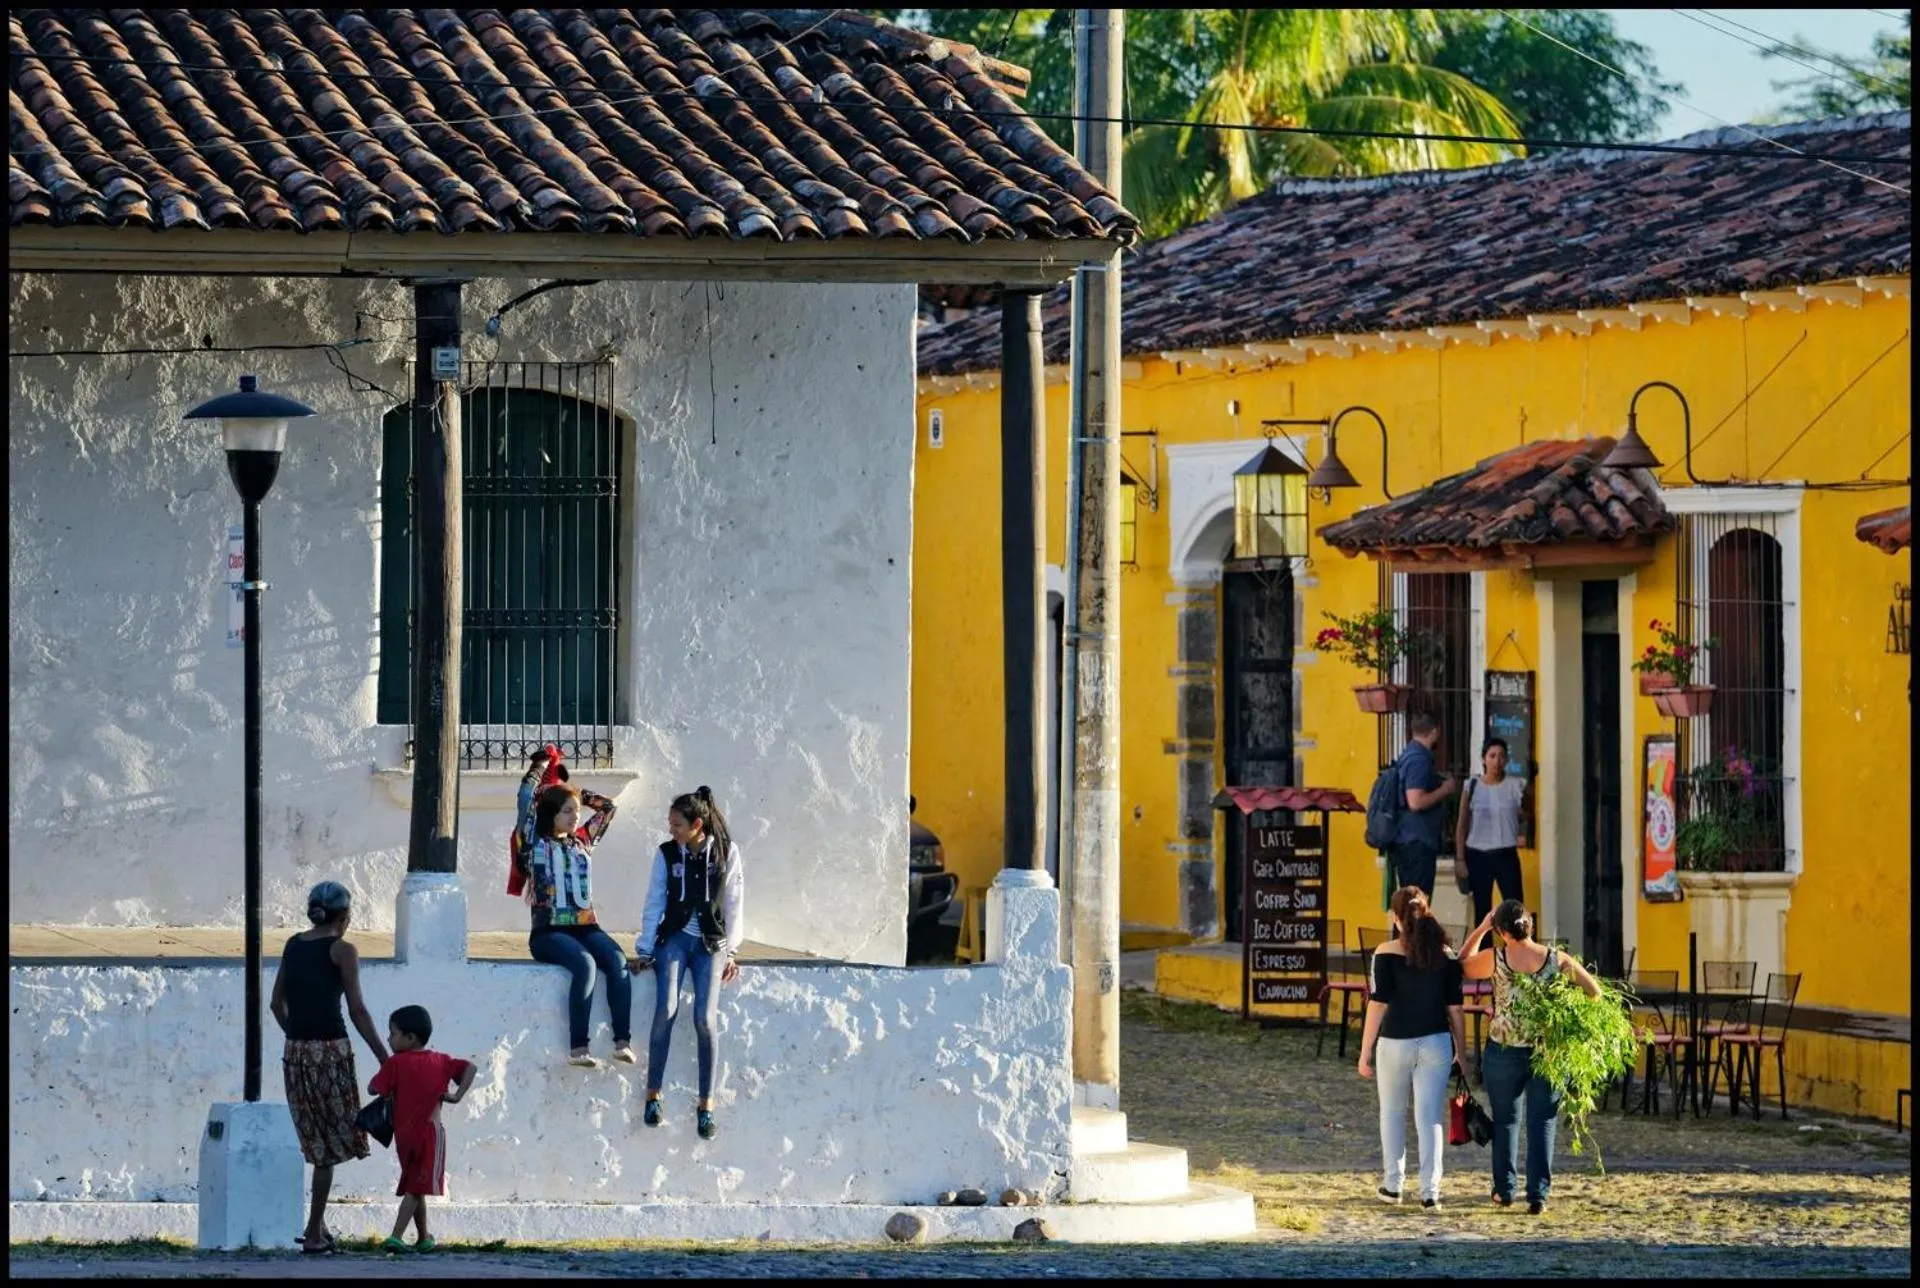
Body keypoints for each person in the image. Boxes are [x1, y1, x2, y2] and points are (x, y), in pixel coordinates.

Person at [269, 881, 391, 1255]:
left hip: (296, 1054)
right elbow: (357, 1011)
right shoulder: (343, 950)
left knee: (316, 1140)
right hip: (331, 1053)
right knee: (328, 1150)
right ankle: (312, 1233)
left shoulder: (292, 945)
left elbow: (276, 1004)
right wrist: (386, 1059)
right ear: (345, 916)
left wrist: (299, 1038)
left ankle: (318, 1227)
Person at [1459, 899, 1602, 1215]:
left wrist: (1482, 927)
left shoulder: (1496, 958)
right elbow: (1595, 992)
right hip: (1548, 1052)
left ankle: (1504, 1191)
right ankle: (1538, 1195)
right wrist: (1571, 1022)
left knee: (1506, 1121)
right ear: (1530, 926)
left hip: (1504, 1050)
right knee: (1542, 1123)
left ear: (1501, 931)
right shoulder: (1556, 958)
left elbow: (1460, 963)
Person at [631, 786, 744, 1140]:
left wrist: (733, 950)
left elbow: (735, 902)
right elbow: (654, 901)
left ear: (697, 824)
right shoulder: (667, 854)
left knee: (704, 1018)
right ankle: (653, 1093)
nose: (671, 830)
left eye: (677, 824)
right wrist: (645, 948)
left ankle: (706, 1104)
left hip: (710, 943)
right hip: (675, 938)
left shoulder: (726, 852)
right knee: (666, 1008)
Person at [1358, 886, 1466, 1211]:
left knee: (1392, 1113)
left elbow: (1377, 1006)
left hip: (1395, 1042)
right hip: (1436, 1041)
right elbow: (1455, 1009)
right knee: (1429, 1117)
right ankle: (1429, 1191)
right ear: (1426, 911)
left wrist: (1365, 1053)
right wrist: (1460, 1049)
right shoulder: (1445, 954)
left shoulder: (1385, 952)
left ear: (1395, 917)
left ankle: (1393, 1185)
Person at [516, 777, 634, 1067]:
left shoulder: (583, 840)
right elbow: (525, 800)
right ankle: (578, 1048)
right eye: (567, 811)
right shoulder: (534, 844)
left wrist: (577, 793)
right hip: (548, 932)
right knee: (585, 964)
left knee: (617, 960)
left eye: (577, 811)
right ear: (551, 814)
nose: (575, 816)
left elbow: (608, 807)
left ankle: (622, 1041)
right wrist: (541, 776)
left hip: (586, 926)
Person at [369, 1005, 476, 1253]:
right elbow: (471, 1068)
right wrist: (457, 1095)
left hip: (403, 1137)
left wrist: (379, 1083)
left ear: (410, 1038)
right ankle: (396, 1237)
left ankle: (424, 1236)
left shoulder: (395, 1064)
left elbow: (374, 1089)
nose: (389, 1039)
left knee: (415, 1185)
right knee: (417, 1187)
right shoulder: (442, 1061)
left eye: (393, 1034)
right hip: (430, 1133)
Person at [1453, 736, 1528, 926]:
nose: (1497, 761)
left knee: (1515, 907)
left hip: (1506, 853)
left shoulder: (1516, 785)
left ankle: (1518, 950)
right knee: (1482, 909)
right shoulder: (1472, 786)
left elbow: (1525, 815)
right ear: (1483, 759)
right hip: (1478, 854)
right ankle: (1485, 952)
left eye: (1502, 756)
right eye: (1492, 756)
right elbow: (1462, 824)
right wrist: (1460, 858)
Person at [1389, 711, 1456, 898]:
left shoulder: (1408, 755)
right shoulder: (1418, 759)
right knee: (1417, 906)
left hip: (1409, 840)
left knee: (1411, 906)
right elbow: (1415, 801)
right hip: (1417, 842)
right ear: (1435, 732)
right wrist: (1445, 789)